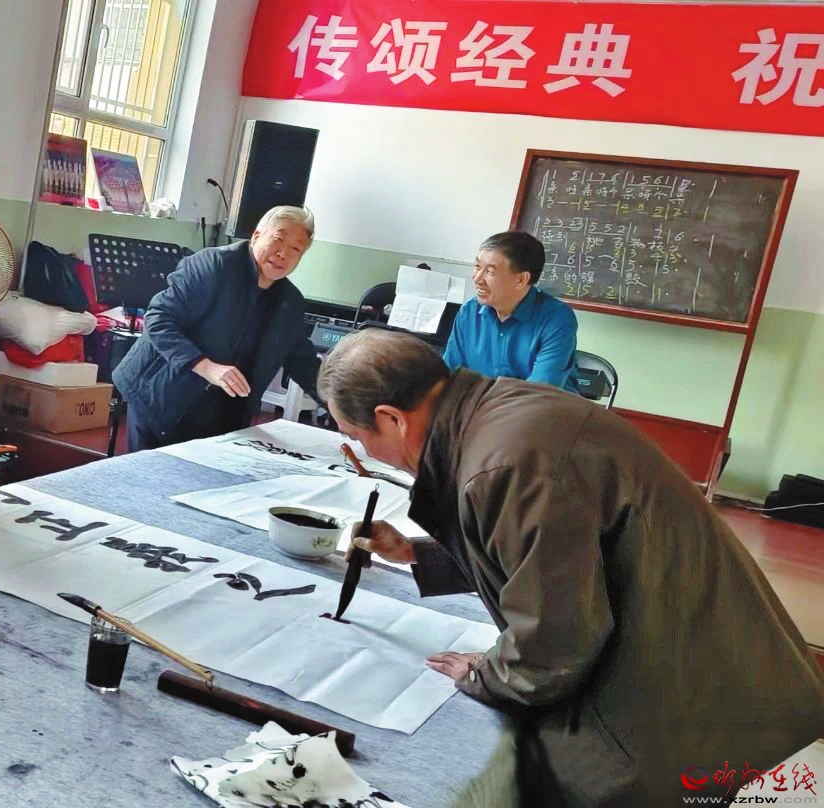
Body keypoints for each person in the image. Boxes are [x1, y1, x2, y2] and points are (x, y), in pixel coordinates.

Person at [317, 328, 824, 806]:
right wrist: (417, 553)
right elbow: (547, 550)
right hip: (707, 657)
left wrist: (486, 674)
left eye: (357, 436)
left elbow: (556, 640)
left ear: (392, 418)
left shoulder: (503, 463)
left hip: (694, 696)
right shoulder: (498, 411)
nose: (366, 452)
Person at [112, 205, 322, 452]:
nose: (283, 253)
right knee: (151, 471)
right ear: (256, 235)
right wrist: (207, 367)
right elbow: (159, 319)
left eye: (296, 249)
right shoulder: (214, 266)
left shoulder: (290, 302)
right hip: (160, 392)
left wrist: (343, 409)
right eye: (278, 239)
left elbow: (303, 362)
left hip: (222, 411)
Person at [442, 231, 579, 392]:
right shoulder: (469, 312)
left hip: (539, 407)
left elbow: (538, 394)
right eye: (477, 266)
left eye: (490, 271)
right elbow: (449, 376)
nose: (477, 278)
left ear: (521, 280)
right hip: (482, 405)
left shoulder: (556, 320)